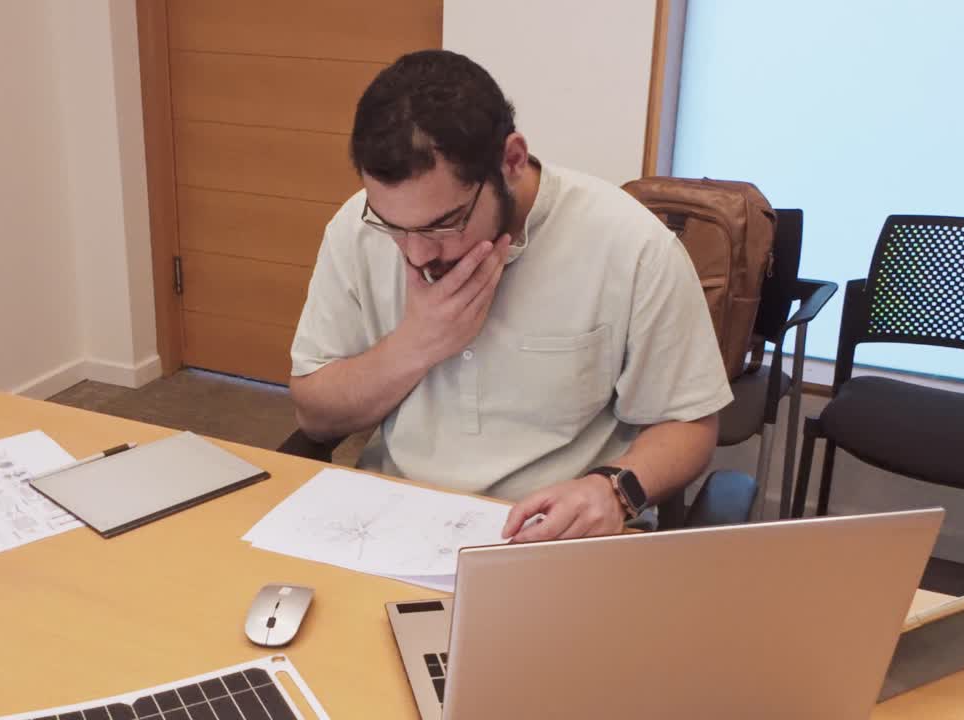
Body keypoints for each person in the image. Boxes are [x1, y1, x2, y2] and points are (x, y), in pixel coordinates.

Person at [289, 50, 732, 542]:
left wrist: (613, 490)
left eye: (443, 223)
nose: (415, 254)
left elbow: (690, 425)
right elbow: (315, 413)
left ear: (512, 160)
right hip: (390, 524)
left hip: (557, 537)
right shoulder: (355, 229)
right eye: (392, 226)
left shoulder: (632, 246)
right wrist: (416, 343)